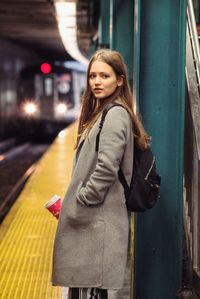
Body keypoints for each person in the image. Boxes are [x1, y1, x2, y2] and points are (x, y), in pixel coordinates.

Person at [52, 49, 149, 299]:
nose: (96, 81)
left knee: (91, 291)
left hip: (97, 224)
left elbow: (107, 167)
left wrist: (83, 198)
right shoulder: (102, 113)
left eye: (104, 76)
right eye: (93, 76)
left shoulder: (115, 115)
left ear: (119, 80)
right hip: (93, 223)